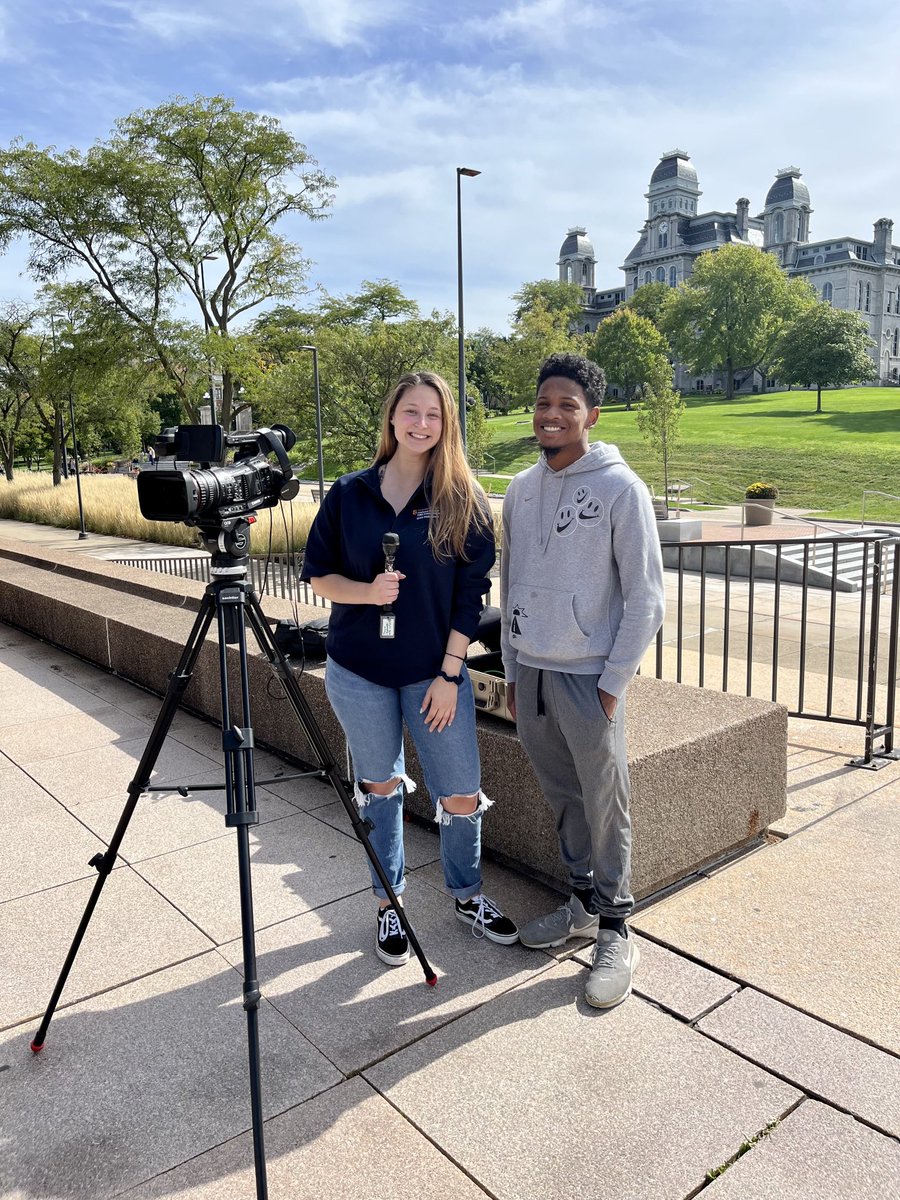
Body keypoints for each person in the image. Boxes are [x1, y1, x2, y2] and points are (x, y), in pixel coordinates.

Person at [301, 371, 518, 967]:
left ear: (446, 426)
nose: (421, 424)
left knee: (461, 793)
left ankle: (467, 894)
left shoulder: (462, 498)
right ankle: (388, 904)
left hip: (432, 675)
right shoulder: (349, 494)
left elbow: (470, 595)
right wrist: (368, 594)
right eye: (411, 412)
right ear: (392, 417)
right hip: (359, 671)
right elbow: (318, 573)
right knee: (381, 790)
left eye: (434, 415)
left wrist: (451, 676)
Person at [500, 352, 664, 1008]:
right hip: (532, 671)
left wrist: (612, 682)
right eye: (544, 404)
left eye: (567, 405)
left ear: (591, 415)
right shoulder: (518, 489)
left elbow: (647, 598)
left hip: (589, 675)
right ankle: (580, 901)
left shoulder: (622, 489)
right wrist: (513, 669)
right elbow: (509, 584)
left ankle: (618, 925)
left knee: (606, 800)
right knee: (562, 795)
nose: (552, 415)